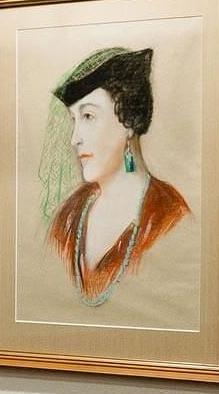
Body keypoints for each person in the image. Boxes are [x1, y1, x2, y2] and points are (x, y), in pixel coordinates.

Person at [45, 47, 191, 306]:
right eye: (74, 119)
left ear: (129, 120)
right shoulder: (68, 218)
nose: (74, 139)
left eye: (88, 116)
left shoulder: (170, 217)